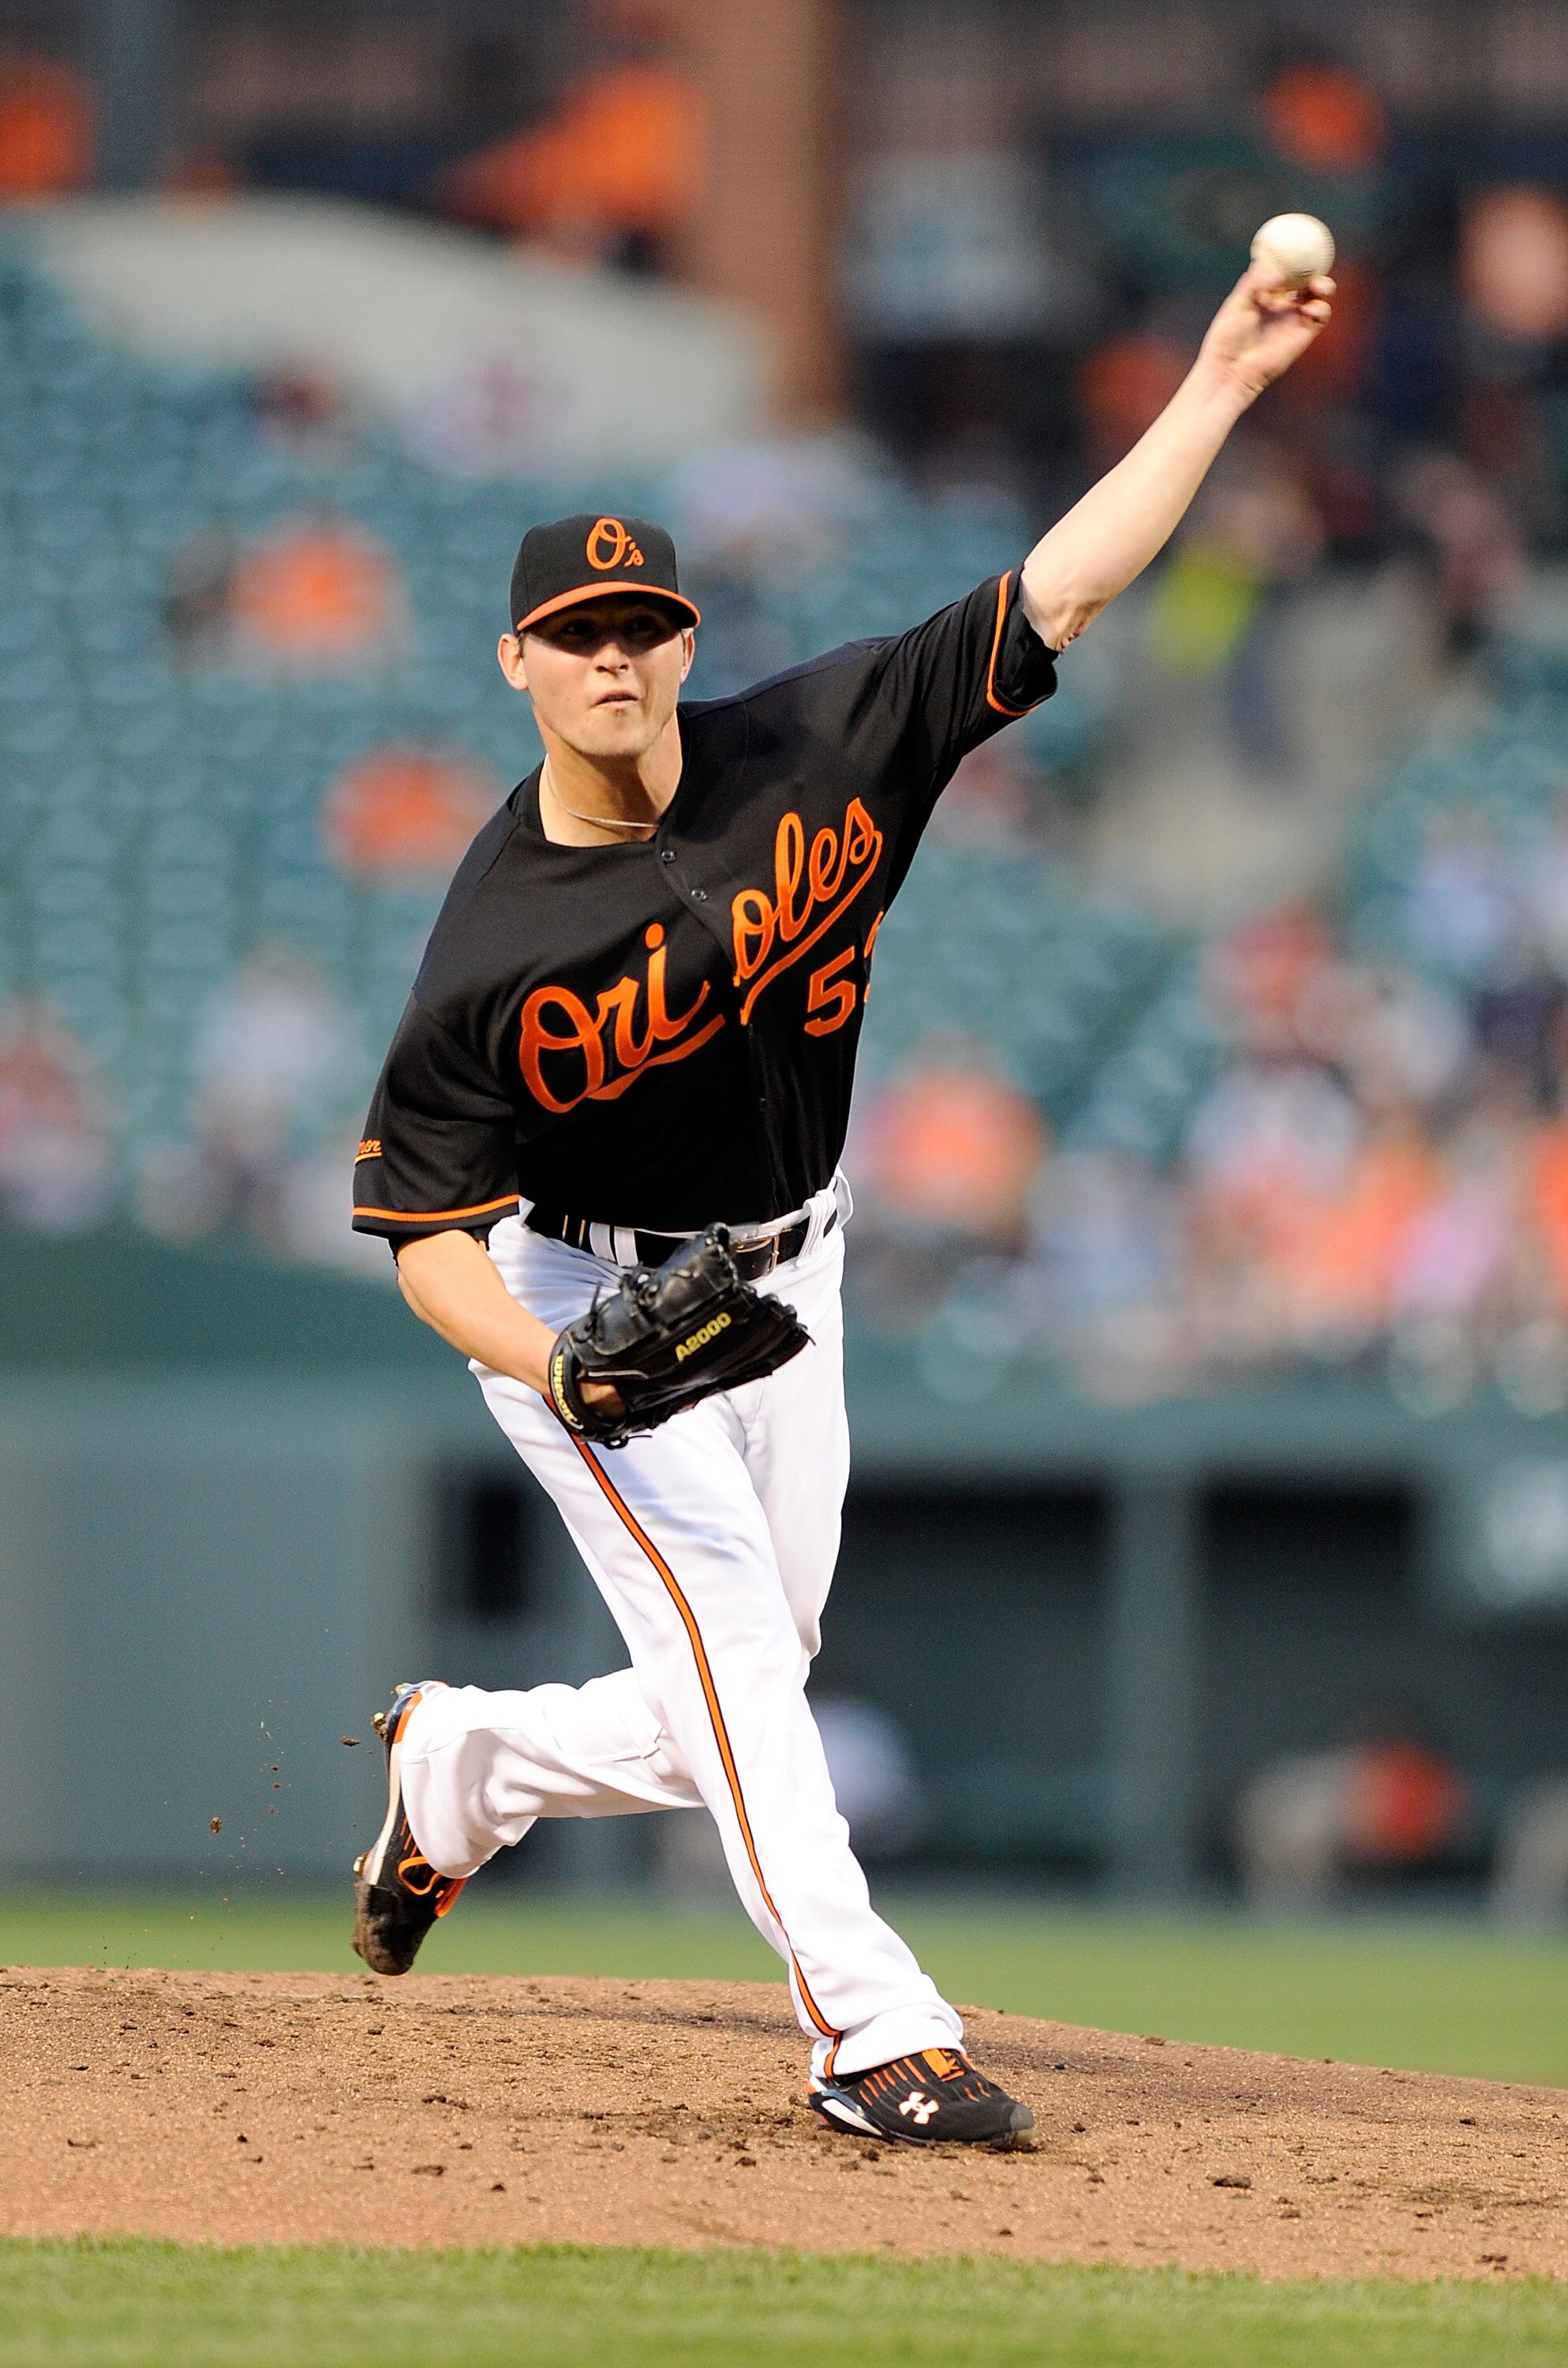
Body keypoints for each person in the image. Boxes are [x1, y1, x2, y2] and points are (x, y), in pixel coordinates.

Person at [347, 261, 1332, 2150]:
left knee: (742, 1685)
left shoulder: (819, 743)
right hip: (582, 1305)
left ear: (681, 635)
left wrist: (1212, 382)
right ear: (518, 665)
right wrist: (555, 1376)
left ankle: (465, 1761)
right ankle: (868, 2032)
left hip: (796, 1267)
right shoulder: (493, 947)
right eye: (576, 634)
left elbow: (1061, 591)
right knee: (729, 1645)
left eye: (642, 625)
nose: (614, 659)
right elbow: (426, 1244)